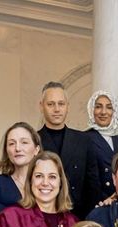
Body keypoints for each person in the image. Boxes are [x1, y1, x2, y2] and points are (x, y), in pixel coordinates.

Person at [37, 82, 101, 216]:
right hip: (41, 215)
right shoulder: (33, 140)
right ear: (41, 106)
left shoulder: (84, 140)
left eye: (61, 104)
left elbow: (93, 185)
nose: (56, 109)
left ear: (67, 107)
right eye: (50, 104)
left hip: (78, 216)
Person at [0, 122, 42, 207]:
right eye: (11, 143)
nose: (17, 148)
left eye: (24, 142)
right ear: (6, 150)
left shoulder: (47, 184)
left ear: (36, 149)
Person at [85, 90, 118, 202]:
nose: (103, 112)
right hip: (97, 202)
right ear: (91, 110)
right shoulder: (84, 138)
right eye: (98, 107)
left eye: (109, 107)